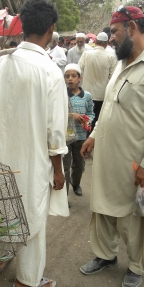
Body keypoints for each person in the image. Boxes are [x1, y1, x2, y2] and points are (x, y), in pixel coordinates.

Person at [80, 6, 144, 287]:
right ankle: (105, 256)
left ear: (132, 28)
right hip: (108, 157)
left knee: (135, 219)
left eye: (114, 32)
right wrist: (94, 135)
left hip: (135, 161)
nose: (110, 38)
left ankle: (136, 266)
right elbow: (109, 105)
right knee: (102, 210)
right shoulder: (121, 63)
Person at [0, 0, 69, 287]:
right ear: (51, 29)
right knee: (31, 209)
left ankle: (0, 257)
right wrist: (58, 170)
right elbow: (55, 131)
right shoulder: (49, 71)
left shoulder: (5, 61)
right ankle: (27, 278)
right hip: (30, 156)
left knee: (1, 203)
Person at [63, 63, 94, 197]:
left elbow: (91, 113)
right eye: (67, 76)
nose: (70, 79)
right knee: (65, 167)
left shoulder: (87, 96)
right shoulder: (62, 95)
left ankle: (76, 184)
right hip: (66, 138)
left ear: (79, 78)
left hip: (81, 137)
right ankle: (64, 196)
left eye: (73, 76)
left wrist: (89, 120)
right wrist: (72, 116)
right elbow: (56, 114)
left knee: (79, 165)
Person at [78, 32, 116, 132]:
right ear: (106, 43)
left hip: (86, 93)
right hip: (101, 95)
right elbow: (113, 77)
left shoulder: (86, 54)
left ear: (95, 42)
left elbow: (79, 71)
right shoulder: (111, 57)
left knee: (86, 120)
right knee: (97, 122)